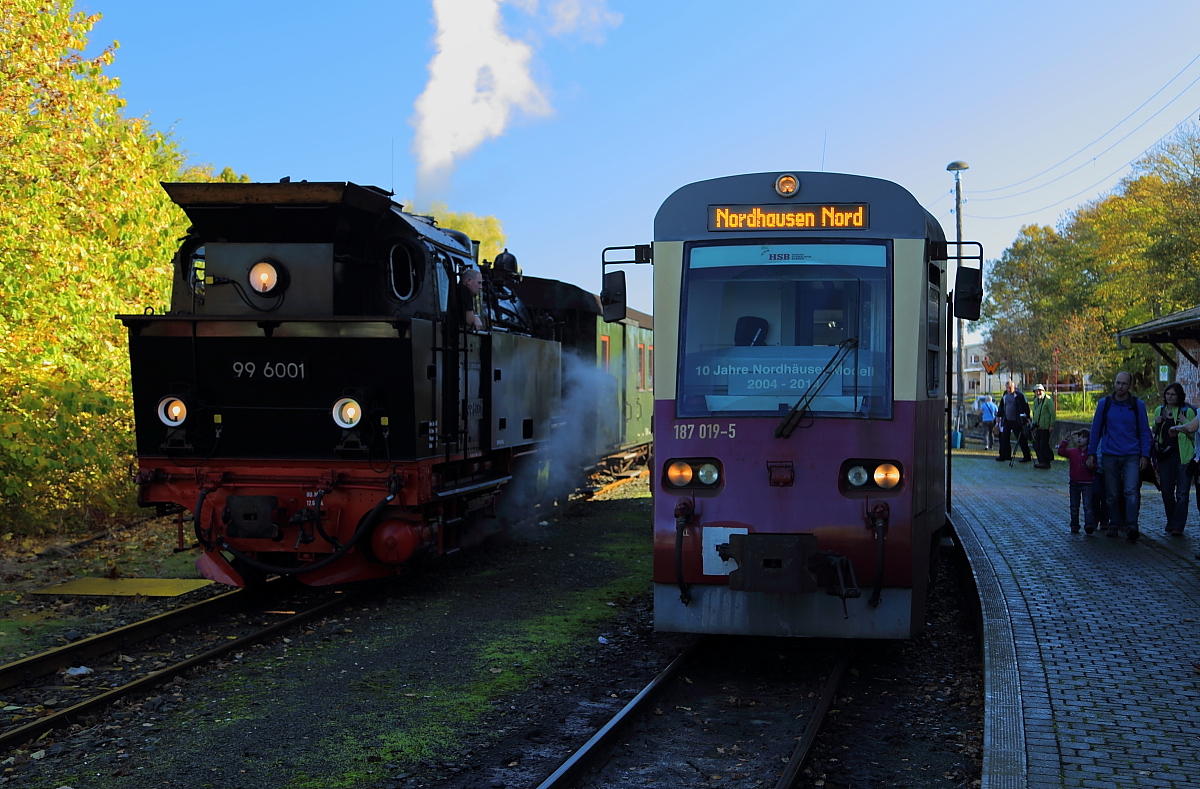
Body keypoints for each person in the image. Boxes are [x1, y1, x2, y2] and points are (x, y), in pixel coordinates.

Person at [1085, 371, 1151, 541]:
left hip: (1131, 454)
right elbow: (1096, 430)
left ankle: (1131, 525)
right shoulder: (1104, 404)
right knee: (1112, 493)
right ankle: (1113, 524)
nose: (1120, 386)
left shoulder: (1137, 405)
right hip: (1109, 454)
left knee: (1131, 491)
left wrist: (1145, 455)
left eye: (1123, 383)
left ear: (1130, 386)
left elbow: (1144, 431)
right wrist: (1091, 453)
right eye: (1117, 383)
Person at [1151, 383, 1196, 535]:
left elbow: (1193, 434)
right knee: (1166, 492)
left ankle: (1178, 526)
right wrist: (1156, 424)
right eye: (1167, 394)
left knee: (1182, 494)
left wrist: (1184, 423)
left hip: (1183, 457)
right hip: (1165, 457)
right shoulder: (1160, 410)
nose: (1169, 397)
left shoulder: (1187, 411)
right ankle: (1171, 520)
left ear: (1179, 396)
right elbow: (1154, 433)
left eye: (1173, 394)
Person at [1057, 428, 1096, 534]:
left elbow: (1095, 466)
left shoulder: (1091, 453)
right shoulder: (1073, 452)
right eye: (1079, 437)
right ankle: (1074, 524)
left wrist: (1091, 466)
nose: (1080, 439)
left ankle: (1089, 524)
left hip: (1087, 483)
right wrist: (1066, 440)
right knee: (1074, 505)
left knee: (1087, 505)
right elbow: (1060, 451)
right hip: (1074, 482)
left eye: (1083, 437)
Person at [995, 380, 1031, 463]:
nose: (1008, 389)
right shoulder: (1005, 395)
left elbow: (1026, 406)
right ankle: (1005, 455)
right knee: (1004, 438)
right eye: (1007, 388)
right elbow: (1001, 406)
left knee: (1021, 438)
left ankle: (1027, 456)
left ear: (1013, 387)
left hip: (1016, 420)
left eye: (1010, 388)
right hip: (1007, 420)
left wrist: (1027, 417)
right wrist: (998, 416)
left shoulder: (1019, 395)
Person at [1030, 384, 1056, 468]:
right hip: (1038, 426)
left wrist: (1051, 425)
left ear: (1043, 391)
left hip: (1045, 426)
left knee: (1043, 445)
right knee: (1037, 445)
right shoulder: (1035, 401)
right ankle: (1042, 460)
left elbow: (1052, 413)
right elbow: (1034, 414)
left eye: (1039, 391)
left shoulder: (1048, 400)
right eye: (1036, 391)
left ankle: (1046, 462)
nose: (1038, 392)